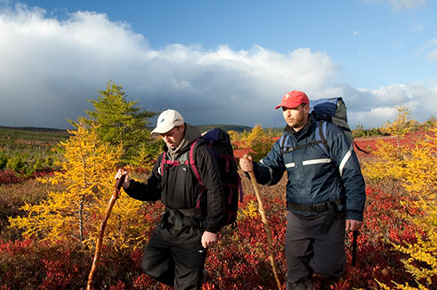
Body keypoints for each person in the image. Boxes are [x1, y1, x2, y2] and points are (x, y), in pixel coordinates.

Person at [239, 90, 366, 289]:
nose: (287, 113)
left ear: (306, 108)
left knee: (328, 268)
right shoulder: (284, 142)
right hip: (297, 217)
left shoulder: (329, 134)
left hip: (329, 215)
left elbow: (352, 174)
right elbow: (270, 174)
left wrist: (355, 212)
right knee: (296, 272)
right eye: (284, 109)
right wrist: (253, 168)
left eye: (293, 108)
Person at [115, 109, 226, 290]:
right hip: (168, 224)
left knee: (187, 285)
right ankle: (195, 277)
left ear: (181, 127)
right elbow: (152, 190)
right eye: (162, 134)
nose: (166, 138)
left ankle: (191, 279)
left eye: (170, 133)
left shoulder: (200, 152)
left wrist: (212, 228)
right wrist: (129, 186)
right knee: (150, 265)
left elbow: (216, 191)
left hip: (193, 229)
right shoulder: (164, 157)